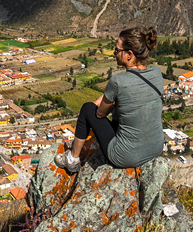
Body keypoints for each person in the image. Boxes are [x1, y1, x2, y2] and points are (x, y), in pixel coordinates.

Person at [54, 26, 163, 173]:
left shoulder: (118, 81)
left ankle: (72, 159)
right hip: (155, 148)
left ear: (129, 54)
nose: (114, 53)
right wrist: (110, 97)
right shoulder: (156, 72)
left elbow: (100, 114)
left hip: (125, 156)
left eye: (117, 50)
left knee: (87, 109)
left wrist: (102, 104)